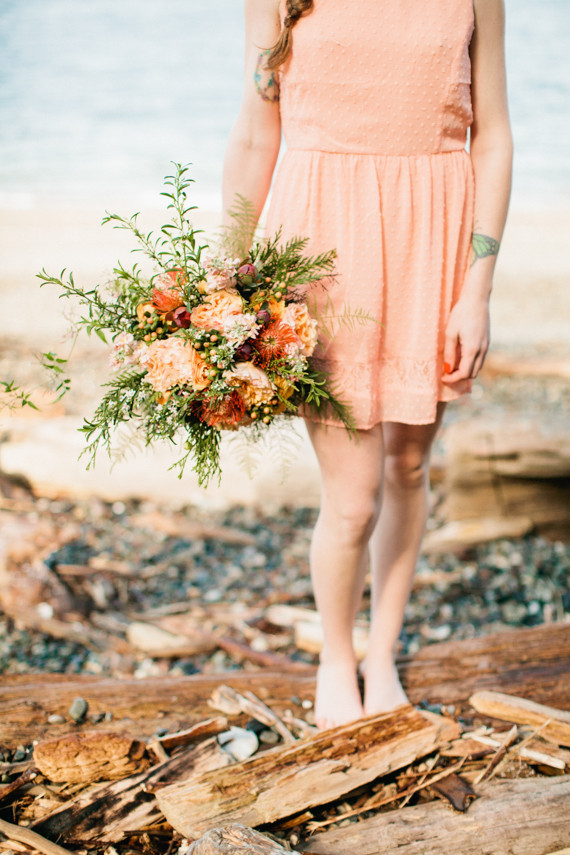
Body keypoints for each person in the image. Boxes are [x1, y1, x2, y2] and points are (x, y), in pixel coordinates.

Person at [222, 0, 513, 729]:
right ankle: (334, 657)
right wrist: (225, 274)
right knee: (351, 498)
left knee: (409, 467)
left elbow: (496, 137)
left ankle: (381, 651)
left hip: (433, 244)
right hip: (320, 250)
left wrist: (476, 291)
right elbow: (259, 136)